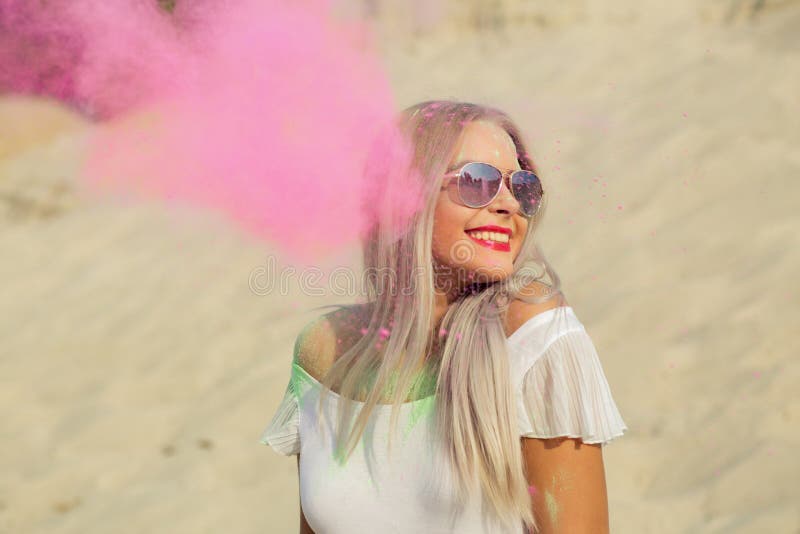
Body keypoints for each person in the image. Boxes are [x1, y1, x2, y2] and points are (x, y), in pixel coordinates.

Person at [258, 100, 628, 533]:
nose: (509, 204)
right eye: (478, 182)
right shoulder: (324, 351)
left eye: (523, 187)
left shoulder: (534, 337)